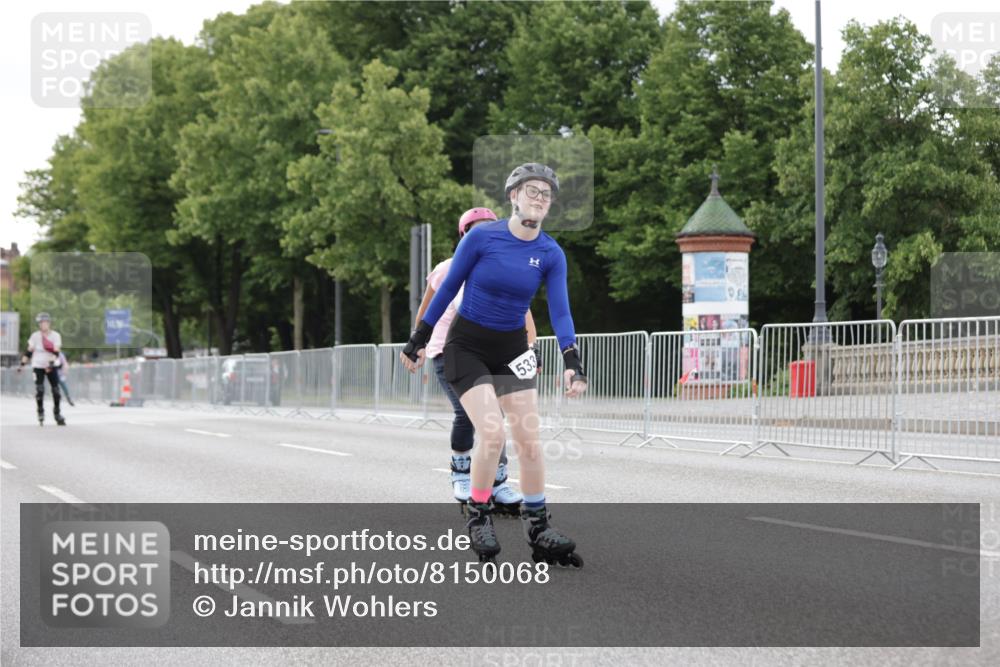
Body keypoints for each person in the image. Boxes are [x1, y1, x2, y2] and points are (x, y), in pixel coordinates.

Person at [401, 163, 587, 566]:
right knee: (491, 432)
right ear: (513, 196)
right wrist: (418, 339)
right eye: (531, 191)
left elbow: (561, 312)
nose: (539, 198)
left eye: (546, 194)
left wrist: (571, 358)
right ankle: (479, 514)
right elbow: (447, 288)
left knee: (529, 440)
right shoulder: (483, 237)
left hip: (512, 349)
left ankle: (538, 527)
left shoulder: (550, 253)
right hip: (466, 345)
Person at [407, 207, 535, 515]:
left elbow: (525, 316)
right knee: (468, 415)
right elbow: (426, 311)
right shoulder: (447, 269)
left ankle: (499, 481)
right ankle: (461, 471)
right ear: (465, 237)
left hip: (495, 352)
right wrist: (417, 343)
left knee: (496, 420)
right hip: (448, 350)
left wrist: (531, 347)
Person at [21, 312, 66, 426]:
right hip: (38, 366)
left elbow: (56, 351)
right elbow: (29, 351)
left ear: (49, 323)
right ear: (39, 324)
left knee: (56, 391)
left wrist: (50, 364)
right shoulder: (35, 336)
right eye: (41, 323)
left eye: (45, 323)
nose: (43, 325)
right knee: (40, 390)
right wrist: (22, 364)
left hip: (51, 365)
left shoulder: (55, 335)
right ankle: (40, 411)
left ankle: (57, 413)